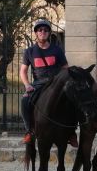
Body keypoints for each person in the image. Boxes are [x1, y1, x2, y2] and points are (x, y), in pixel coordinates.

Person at [19, 19, 77, 147]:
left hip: (56, 84)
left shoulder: (57, 50)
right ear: (36, 33)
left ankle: (72, 133)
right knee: (24, 101)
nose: (42, 32)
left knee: (73, 99)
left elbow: (65, 68)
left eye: (45, 30)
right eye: (40, 30)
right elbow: (23, 71)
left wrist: (65, 82)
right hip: (38, 84)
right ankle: (30, 130)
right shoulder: (29, 52)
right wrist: (27, 85)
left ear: (49, 33)